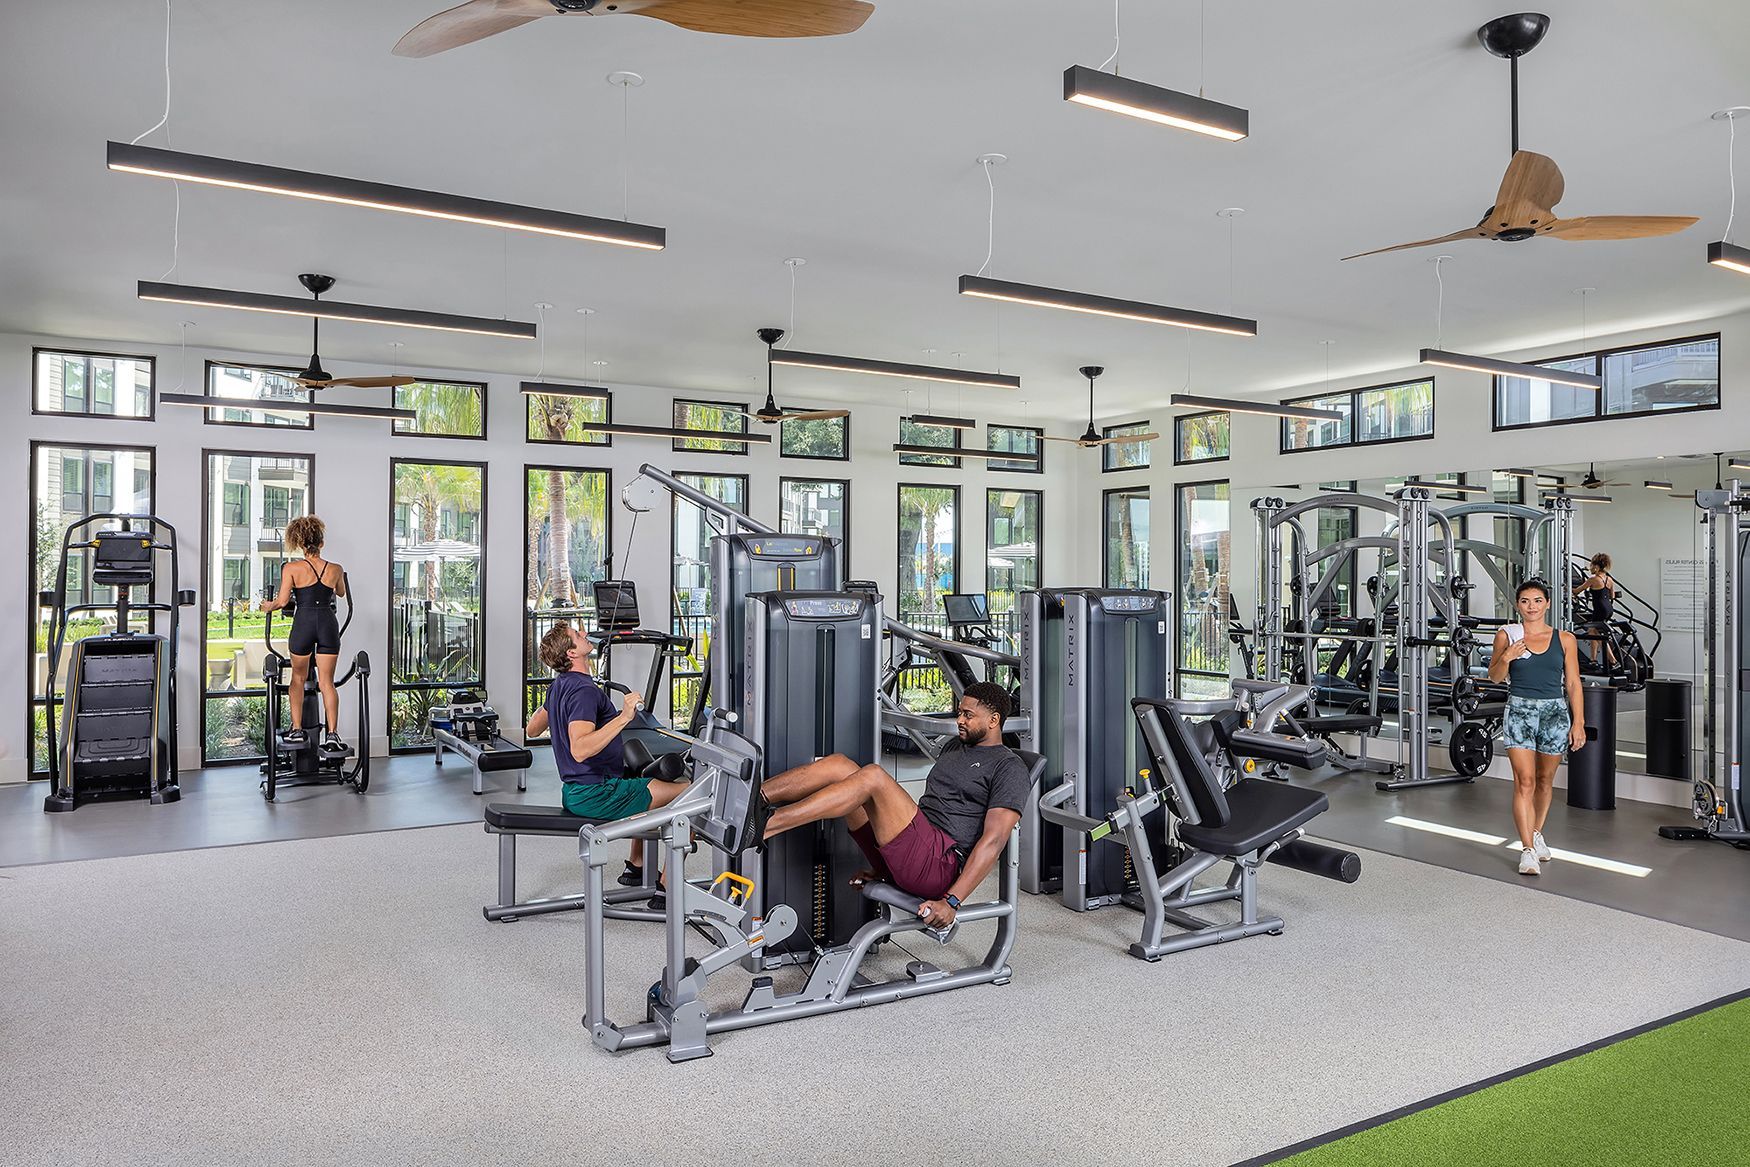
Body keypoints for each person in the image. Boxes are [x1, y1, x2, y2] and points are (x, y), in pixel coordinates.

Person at [759, 681, 1032, 929]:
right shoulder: (954, 747)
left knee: (874, 777)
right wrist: (883, 870)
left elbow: (994, 841)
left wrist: (951, 901)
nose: (959, 720)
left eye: (968, 715)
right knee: (840, 765)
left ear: (994, 720)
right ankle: (755, 800)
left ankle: (764, 827)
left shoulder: (1009, 768)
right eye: (959, 712)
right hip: (911, 851)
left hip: (939, 866)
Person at [524, 623, 688, 894]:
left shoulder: (560, 685)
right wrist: (624, 717)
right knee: (694, 795)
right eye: (577, 635)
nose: (584, 633)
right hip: (598, 793)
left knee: (641, 777)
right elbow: (580, 749)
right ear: (571, 653)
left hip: (576, 792)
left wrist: (556, 705)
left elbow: (532, 729)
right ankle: (667, 887)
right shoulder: (584, 691)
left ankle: (637, 865)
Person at [1488, 580, 1586, 876]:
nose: (1531, 606)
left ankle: (1536, 832)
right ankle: (1528, 849)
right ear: (1518, 605)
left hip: (1555, 713)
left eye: (1537, 600)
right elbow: (1495, 677)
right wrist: (1507, 656)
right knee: (1525, 781)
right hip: (1520, 711)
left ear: (1547, 604)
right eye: (1525, 601)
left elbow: (1573, 683)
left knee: (1544, 780)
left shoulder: (1565, 639)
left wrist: (1579, 722)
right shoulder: (1507, 635)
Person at [260, 515, 348, 755]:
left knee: (298, 678)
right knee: (327, 682)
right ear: (321, 543)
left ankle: (297, 729)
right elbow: (340, 593)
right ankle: (332, 734)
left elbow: (282, 601)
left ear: (300, 543)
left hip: (304, 624)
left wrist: (268, 606)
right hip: (328, 625)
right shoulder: (336, 569)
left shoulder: (291, 569)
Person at [1571, 553, 1619, 668]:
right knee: (1593, 632)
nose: (1590, 568)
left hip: (1600, 610)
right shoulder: (1609, 579)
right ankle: (1593, 660)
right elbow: (1612, 596)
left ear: (1596, 567)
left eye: (1592, 565)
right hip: (1608, 609)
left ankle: (1613, 661)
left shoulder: (1593, 579)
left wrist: (1566, 588)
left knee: (1597, 634)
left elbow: (1577, 591)